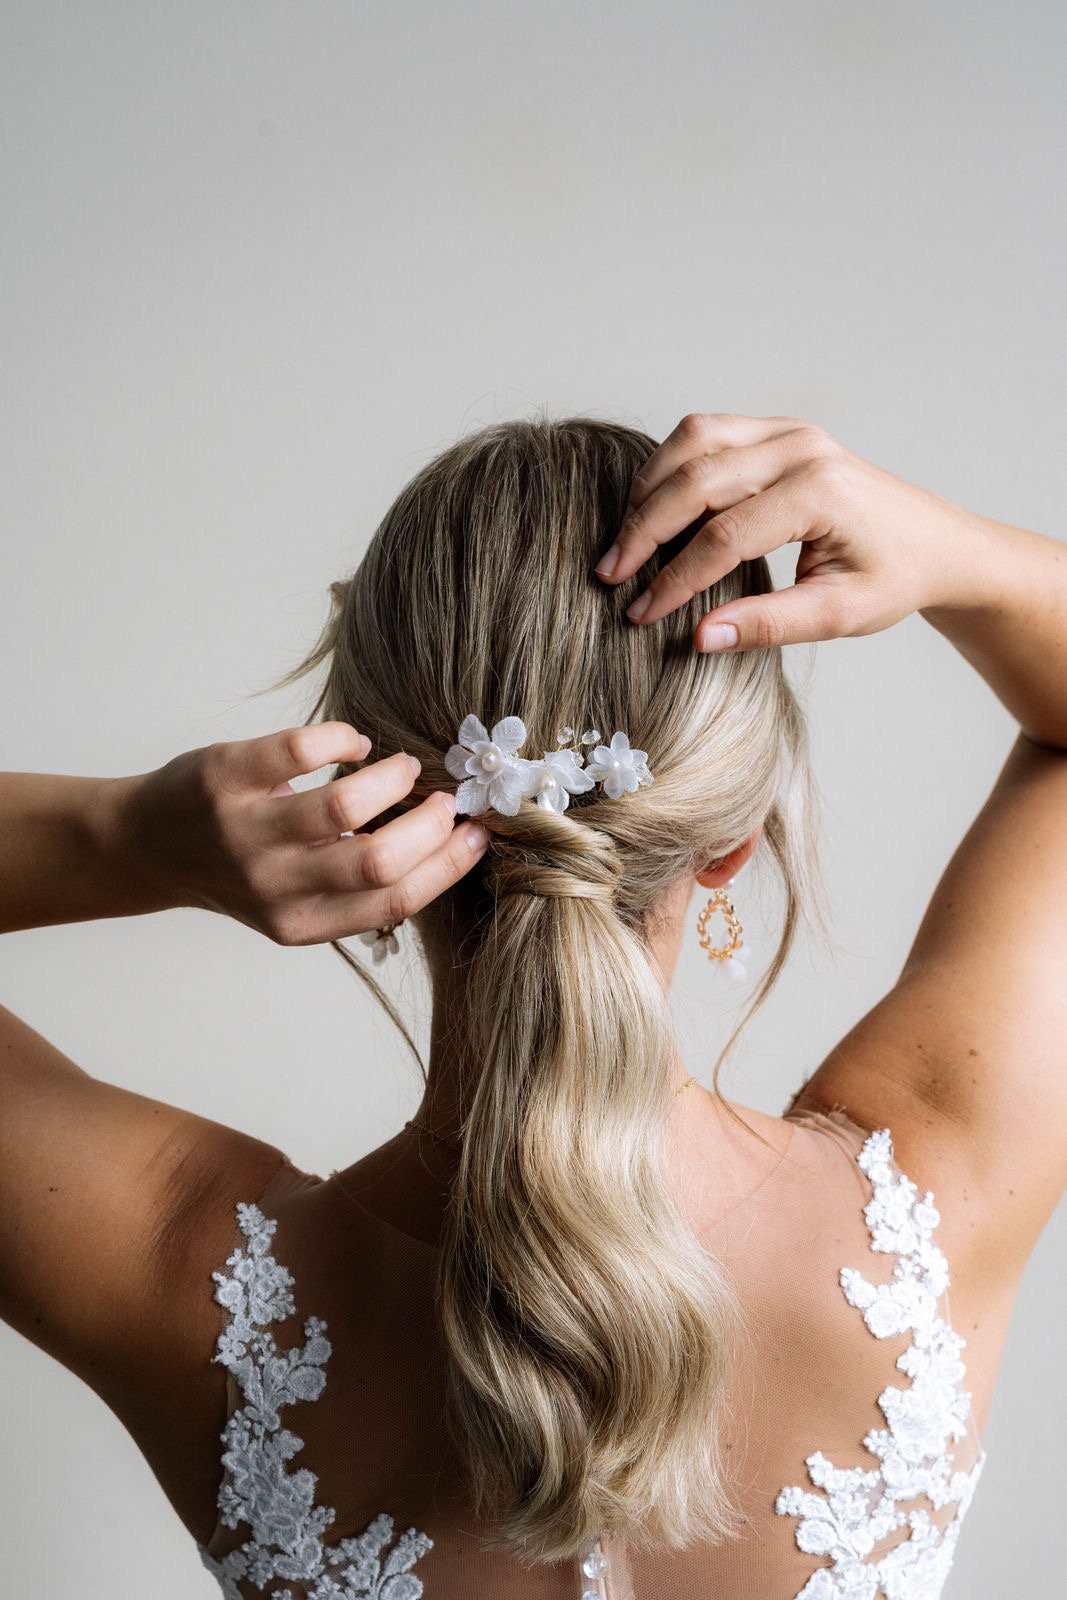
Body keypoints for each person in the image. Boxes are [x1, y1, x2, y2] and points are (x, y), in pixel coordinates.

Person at [1, 410, 1064, 1600]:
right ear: (727, 847)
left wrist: (129, 841)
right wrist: (960, 552)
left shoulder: (196, 1290)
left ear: (360, 816)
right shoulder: (930, 1202)